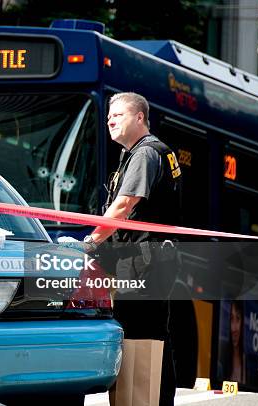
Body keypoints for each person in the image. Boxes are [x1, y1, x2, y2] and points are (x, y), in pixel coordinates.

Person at [81, 92, 182, 406]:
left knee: (139, 336)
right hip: (150, 259)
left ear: (140, 118)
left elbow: (124, 205)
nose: (110, 120)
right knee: (152, 337)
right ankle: (153, 400)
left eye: (118, 115)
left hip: (142, 262)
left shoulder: (145, 154)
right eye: (109, 115)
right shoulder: (147, 153)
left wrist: (91, 241)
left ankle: (141, 401)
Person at [228, 300, 245, 383]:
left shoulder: (246, 361)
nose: (234, 329)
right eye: (231, 319)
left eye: (237, 319)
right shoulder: (221, 363)